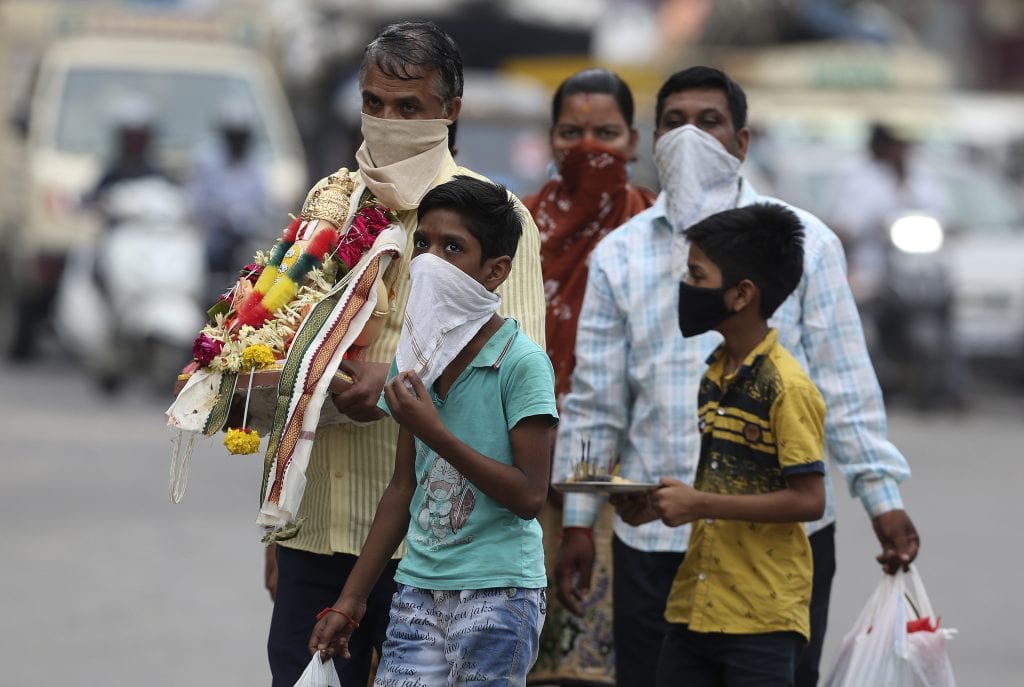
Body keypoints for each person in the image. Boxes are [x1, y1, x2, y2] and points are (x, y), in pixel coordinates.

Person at [553, 66, 920, 687]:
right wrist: (579, 521)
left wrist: (883, 500)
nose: (690, 137)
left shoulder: (805, 245)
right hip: (659, 546)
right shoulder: (620, 254)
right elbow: (596, 403)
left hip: (777, 550)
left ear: (742, 142)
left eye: (709, 122)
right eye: (675, 123)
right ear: (653, 138)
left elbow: (844, 387)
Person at [265, 22, 546, 687]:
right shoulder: (329, 202)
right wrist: (277, 524)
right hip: (316, 524)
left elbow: (513, 359)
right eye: (374, 104)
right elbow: (293, 339)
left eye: (408, 107)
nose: (387, 122)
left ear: (450, 111)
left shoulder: (492, 216)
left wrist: (390, 377)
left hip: (427, 542)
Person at [307, 175, 557, 685]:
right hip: (418, 588)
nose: (429, 259)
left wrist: (436, 433)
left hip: (498, 594)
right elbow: (403, 487)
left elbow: (530, 495)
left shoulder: (522, 363)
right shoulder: (420, 358)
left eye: (452, 248)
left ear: (495, 270)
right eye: (422, 243)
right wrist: (350, 601)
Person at [644, 202, 824, 685]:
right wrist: (661, 502)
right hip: (696, 604)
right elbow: (731, 482)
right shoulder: (715, 373)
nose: (687, 288)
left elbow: (809, 499)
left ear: (741, 294)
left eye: (697, 276)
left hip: (761, 616)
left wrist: (698, 502)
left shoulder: (786, 386)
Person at [522, 68, 654, 686]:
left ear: (633, 140)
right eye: (572, 132)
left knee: (605, 662)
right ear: (550, 139)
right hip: (521, 472)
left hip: (622, 478)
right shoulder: (517, 231)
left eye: (606, 132)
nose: (588, 147)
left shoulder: (658, 232)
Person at [187, 101, 275, 297]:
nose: (237, 142)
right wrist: (220, 215)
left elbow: (265, 203)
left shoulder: (256, 162)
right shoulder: (208, 160)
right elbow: (197, 200)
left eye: (241, 136)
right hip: (215, 235)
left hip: (247, 237)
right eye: (233, 136)